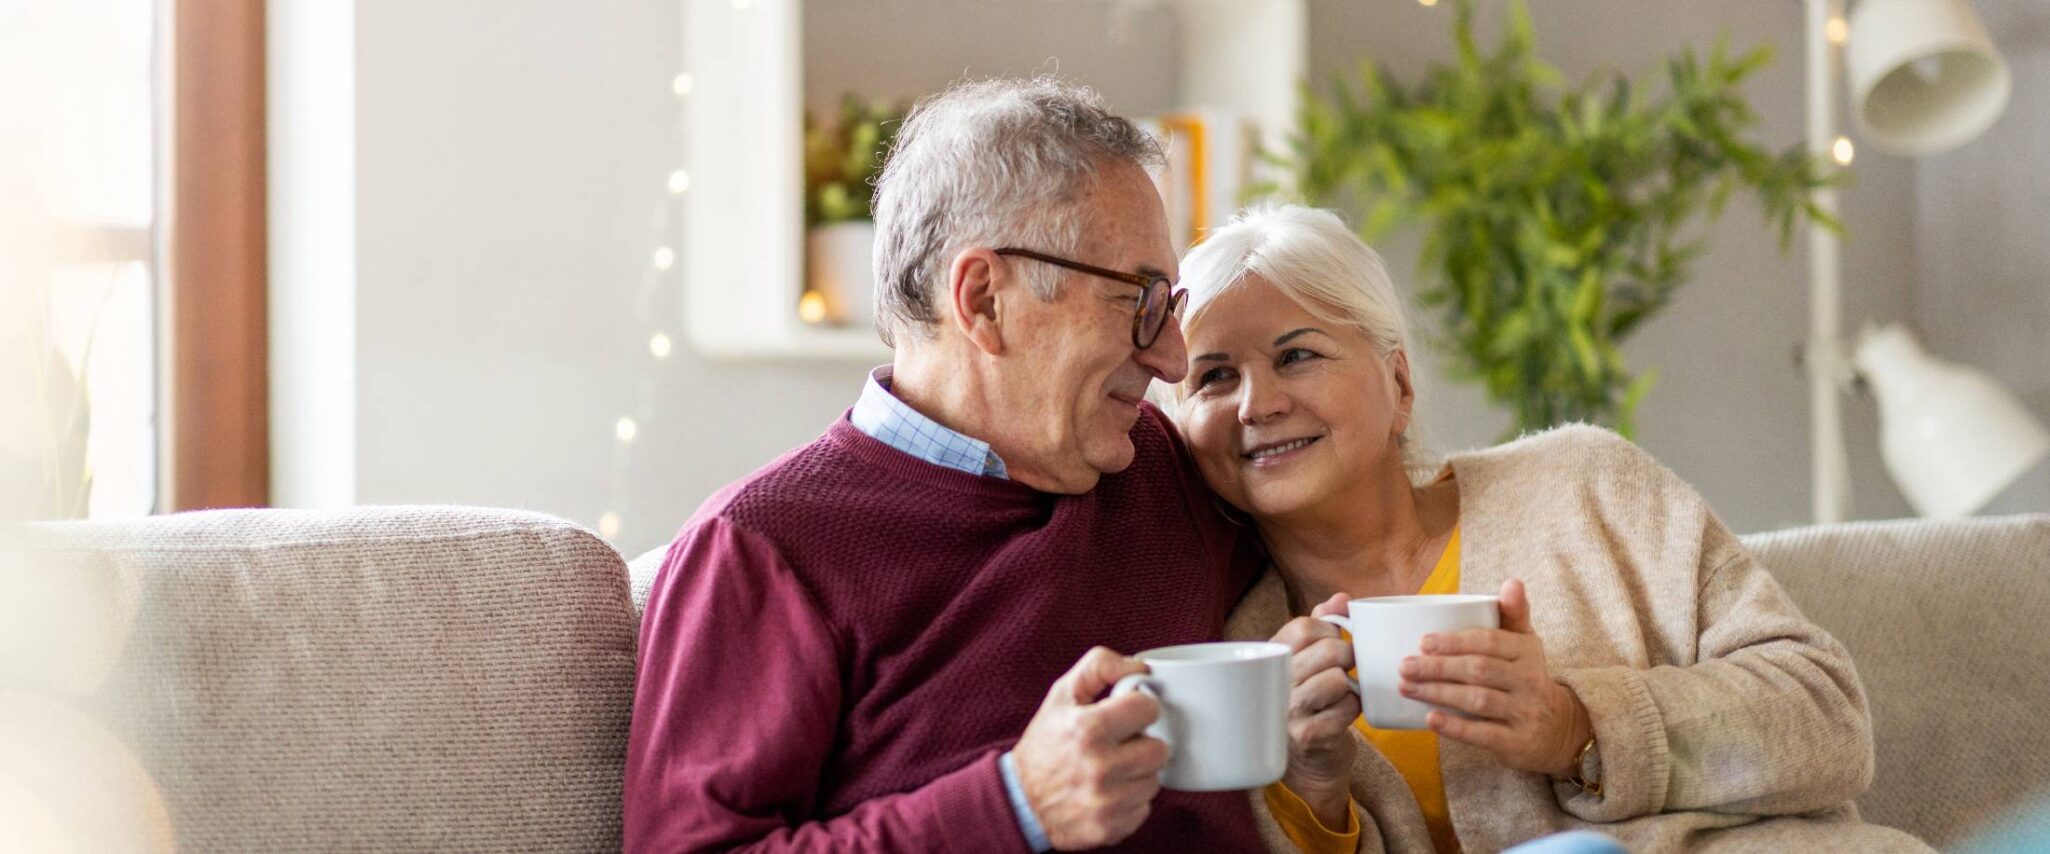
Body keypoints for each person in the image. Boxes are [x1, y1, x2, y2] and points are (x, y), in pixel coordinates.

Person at [623, 77, 1267, 852]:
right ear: (985, 300)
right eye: (1140, 302)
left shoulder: (1165, 471)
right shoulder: (762, 549)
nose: (1171, 358)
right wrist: (1015, 805)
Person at [1168, 203, 1931, 852]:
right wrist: (1313, 785)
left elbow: (1828, 716)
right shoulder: (1236, 650)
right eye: (1215, 376)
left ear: (1398, 385)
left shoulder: (1584, 484)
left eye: (1296, 355)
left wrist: (1578, 727)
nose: (1254, 404)